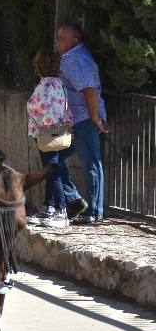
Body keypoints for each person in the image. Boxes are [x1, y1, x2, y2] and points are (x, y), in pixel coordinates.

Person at [56, 23, 108, 225]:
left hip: (84, 119)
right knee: (55, 159)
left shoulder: (75, 59)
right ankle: (76, 200)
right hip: (74, 119)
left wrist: (95, 117)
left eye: (62, 38)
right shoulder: (72, 57)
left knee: (92, 163)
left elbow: (89, 90)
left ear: (74, 40)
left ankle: (95, 212)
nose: (57, 41)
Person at [25, 51, 74, 229]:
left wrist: (48, 124)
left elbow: (35, 106)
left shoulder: (44, 85)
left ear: (39, 67)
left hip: (47, 134)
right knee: (54, 168)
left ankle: (60, 211)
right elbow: (65, 107)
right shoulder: (60, 84)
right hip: (60, 132)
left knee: (52, 171)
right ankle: (49, 207)